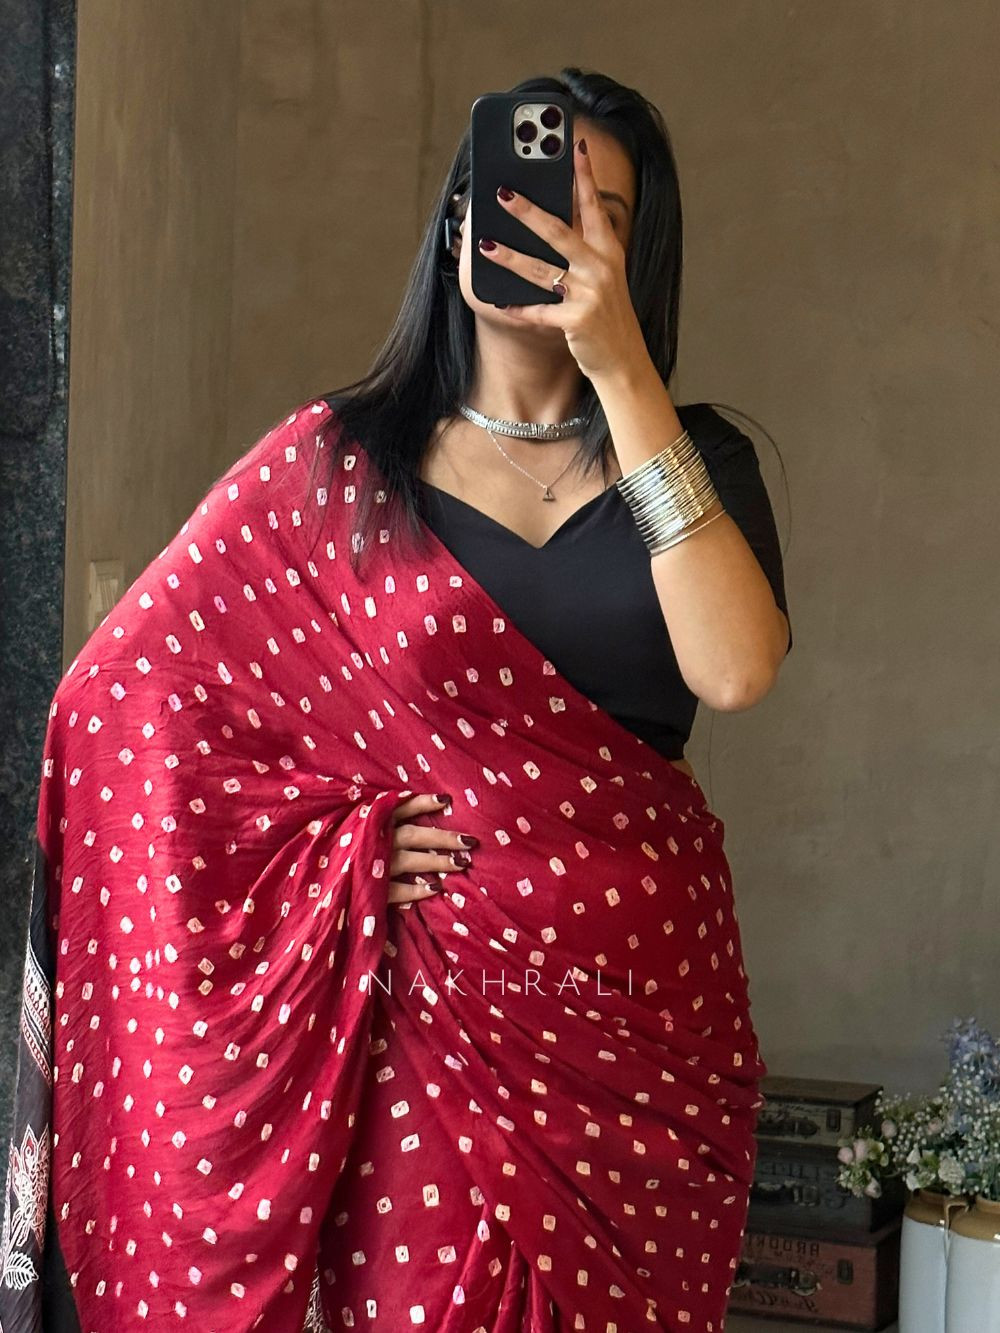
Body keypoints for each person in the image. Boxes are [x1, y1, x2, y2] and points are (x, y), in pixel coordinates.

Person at [0, 68, 791, 1333]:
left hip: (649, 1036)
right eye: (524, 195)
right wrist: (333, 849)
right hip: (430, 1038)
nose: (551, 228)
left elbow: (734, 669)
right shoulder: (341, 465)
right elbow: (121, 702)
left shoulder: (697, 458)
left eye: (596, 214)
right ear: (459, 222)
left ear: (638, 254)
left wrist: (622, 373)